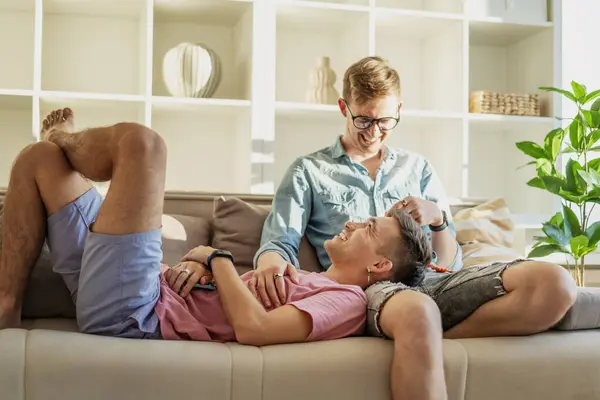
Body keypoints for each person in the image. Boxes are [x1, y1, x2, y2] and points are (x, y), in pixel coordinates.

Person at [252, 56, 578, 399]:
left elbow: (448, 264)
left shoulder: (417, 168)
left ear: (399, 110)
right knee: (417, 310)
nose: (374, 132)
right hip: (369, 291)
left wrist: (437, 217)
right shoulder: (309, 170)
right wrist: (270, 265)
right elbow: (279, 240)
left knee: (555, 284)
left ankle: (436, 331)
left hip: (434, 282)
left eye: (386, 120)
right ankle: (423, 325)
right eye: (364, 119)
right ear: (343, 108)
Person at [0, 107, 432, 346]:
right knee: (36, 161)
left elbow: (254, 330)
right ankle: (6, 306)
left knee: (144, 145)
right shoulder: (308, 277)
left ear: (378, 266)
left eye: (369, 228)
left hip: (138, 311)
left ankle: (66, 140)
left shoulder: (346, 302)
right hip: (139, 289)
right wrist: (203, 265)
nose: (354, 222)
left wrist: (215, 257)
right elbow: (224, 297)